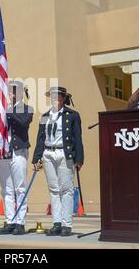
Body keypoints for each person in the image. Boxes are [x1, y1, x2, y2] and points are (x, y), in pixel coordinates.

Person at [32, 86, 84, 237]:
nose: (55, 99)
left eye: (58, 96)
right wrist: (37, 157)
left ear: (63, 98)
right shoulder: (45, 116)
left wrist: (79, 158)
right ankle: (57, 223)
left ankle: (66, 224)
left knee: (66, 189)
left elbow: (78, 138)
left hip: (64, 153)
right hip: (48, 153)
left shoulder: (72, 115)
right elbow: (40, 138)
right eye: (52, 96)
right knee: (54, 189)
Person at [0, 81, 33, 235]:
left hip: (18, 151)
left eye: (13, 90)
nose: (10, 93)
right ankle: (10, 220)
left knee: (19, 188)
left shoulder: (26, 109)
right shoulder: (2, 108)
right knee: (6, 189)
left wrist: (7, 111)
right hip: (4, 151)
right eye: (9, 90)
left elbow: (23, 122)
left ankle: (20, 221)